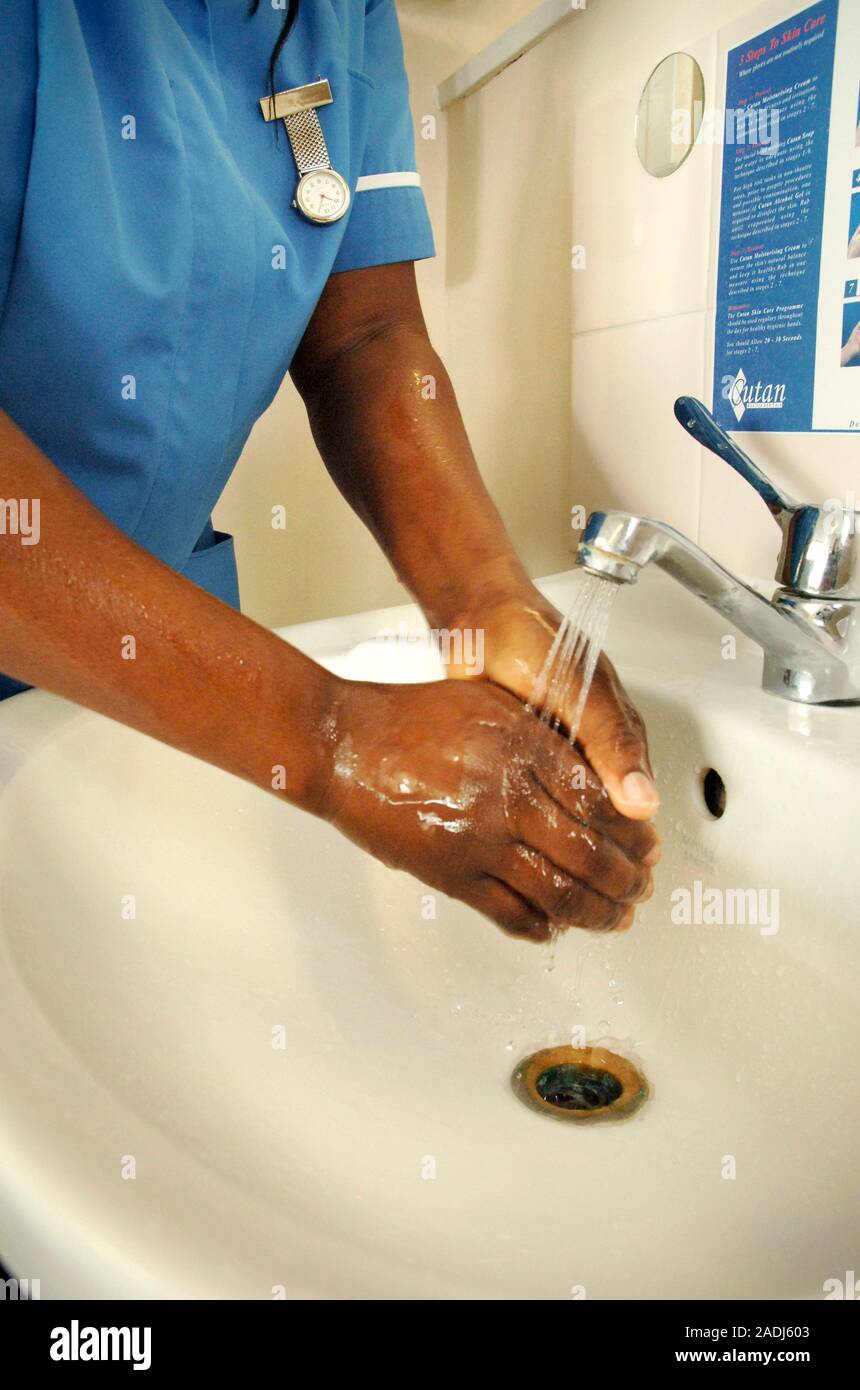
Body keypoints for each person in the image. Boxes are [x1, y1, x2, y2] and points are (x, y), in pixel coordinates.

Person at [0, 0, 659, 942]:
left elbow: (366, 337)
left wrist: (486, 603)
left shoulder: (343, 15)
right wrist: (327, 736)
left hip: (162, 665)